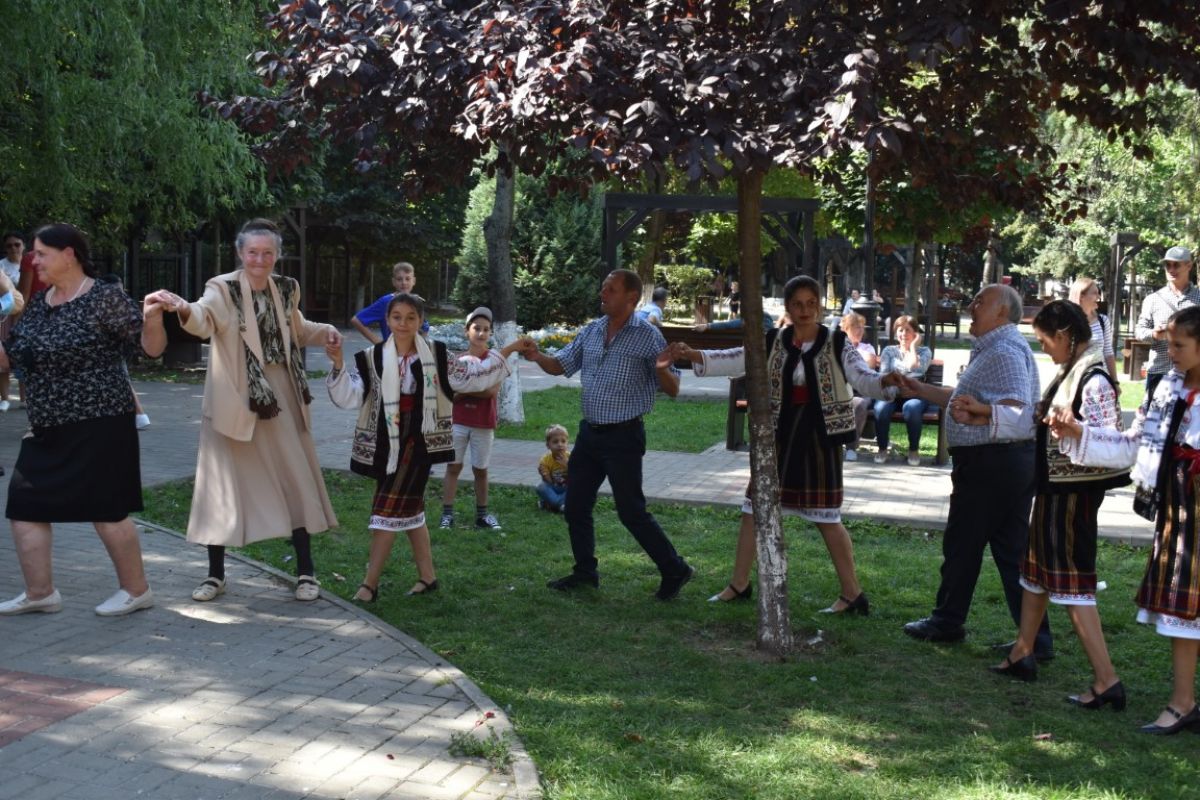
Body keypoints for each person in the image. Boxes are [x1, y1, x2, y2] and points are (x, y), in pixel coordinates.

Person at [142, 218, 342, 604]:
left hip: (281, 397)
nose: (260, 260)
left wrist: (326, 332)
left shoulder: (287, 288)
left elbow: (297, 329)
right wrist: (182, 307)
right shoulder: (222, 288)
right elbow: (203, 318)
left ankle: (306, 573)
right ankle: (215, 576)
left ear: (277, 255)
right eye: (253, 252)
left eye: (268, 253)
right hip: (235, 399)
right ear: (240, 253)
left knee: (295, 479)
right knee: (221, 486)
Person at [674, 275, 903, 610]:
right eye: (797, 304)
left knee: (826, 516)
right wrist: (694, 354)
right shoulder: (773, 340)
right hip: (778, 435)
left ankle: (853, 593)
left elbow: (861, 377)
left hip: (820, 439)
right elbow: (738, 358)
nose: (805, 310)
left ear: (819, 307)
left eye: (811, 303)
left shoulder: (837, 342)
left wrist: (885, 382)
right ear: (788, 308)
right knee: (754, 507)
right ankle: (739, 584)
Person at [1052, 305, 1200, 734]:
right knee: (1184, 609)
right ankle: (1183, 702)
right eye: (1169, 343)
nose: (1171, 352)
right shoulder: (1169, 388)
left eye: (1179, 345)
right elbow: (1134, 443)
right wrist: (1080, 433)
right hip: (1182, 512)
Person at [0, 223, 152, 616]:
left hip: (101, 421)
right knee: (24, 505)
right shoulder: (41, 302)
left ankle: (136, 590)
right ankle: (40, 593)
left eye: (42, 253)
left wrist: (156, 318)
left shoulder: (104, 297)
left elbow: (147, 347)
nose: (34, 260)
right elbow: (12, 357)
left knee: (106, 509)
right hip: (47, 426)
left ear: (69, 255)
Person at [326, 293, 520, 601]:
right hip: (387, 443)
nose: (403, 324)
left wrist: (508, 349)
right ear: (387, 320)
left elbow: (472, 377)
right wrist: (338, 363)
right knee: (410, 509)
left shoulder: (437, 355)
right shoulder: (373, 357)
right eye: (397, 317)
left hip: (419, 443)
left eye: (410, 317)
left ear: (420, 321)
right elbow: (351, 396)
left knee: (386, 510)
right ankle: (428, 578)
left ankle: (369, 585)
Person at [517, 269, 695, 600]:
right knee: (575, 506)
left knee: (631, 511)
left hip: (624, 437)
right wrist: (537, 356)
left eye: (611, 289)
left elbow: (673, 388)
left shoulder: (648, 336)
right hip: (590, 434)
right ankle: (585, 573)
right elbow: (561, 365)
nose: (603, 293)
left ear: (632, 298)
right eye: (603, 287)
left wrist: (661, 368)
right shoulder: (593, 330)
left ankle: (675, 568)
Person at [900, 284, 1053, 656]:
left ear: (1001, 312)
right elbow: (966, 400)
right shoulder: (998, 347)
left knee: (963, 543)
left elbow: (1017, 410)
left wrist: (981, 414)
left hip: (991, 464)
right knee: (1011, 551)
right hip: (1005, 463)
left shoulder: (1004, 351)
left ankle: (947, 621)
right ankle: (1037, 640)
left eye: (980, 302)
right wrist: (919, 389)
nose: (971, 306)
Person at [989, 301, 1129, 709]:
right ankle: (1023, 650)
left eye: (1045, 340)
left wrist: (1073, 429)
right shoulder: (1072, 371)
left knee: (1072, 585)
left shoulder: (1093, 379)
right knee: (1035, 573)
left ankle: (1107, 679)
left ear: (1065, 335)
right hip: (1054, 492)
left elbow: (1113, 444)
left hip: (1074, 498)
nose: (1044, 348)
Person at [439, 307, 506, 531]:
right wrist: (474, 386)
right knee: (453, 467)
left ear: (490, 333)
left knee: (481, 470)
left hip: (483, 423)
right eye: (477, 328)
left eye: (486, 329)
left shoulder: (495, 360)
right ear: (466, 331)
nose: (481, 333)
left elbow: (490, 392)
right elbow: (450, 393)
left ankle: (482, 516)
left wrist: (464, 388)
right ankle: (447, 515)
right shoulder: (457, 360)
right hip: (458, 421)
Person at [1136, 245, 1199, 398]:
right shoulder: (1153, 299)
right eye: (1167, 265)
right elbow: (1139, 331)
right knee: (1153, 413)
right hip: (1160, 371)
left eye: (1176, 265)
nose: (1171, 269)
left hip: (1192, 374)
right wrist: (1154, 334)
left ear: (1189, 266)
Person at [872, 315, 934, 467]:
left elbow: (917, 368)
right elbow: (884, 375)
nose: (904, 334)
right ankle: (882, 448)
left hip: (916, 394)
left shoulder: (924, 351)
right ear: (896, 333)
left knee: (912, 408)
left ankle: (913, 450)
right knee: (881, 408)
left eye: (908, 330)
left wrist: (912, 347)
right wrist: (900, 388)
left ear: (915, 333)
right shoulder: (889, 351)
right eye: (900, 330)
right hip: (891, 393)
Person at [352, 261, 429, 344]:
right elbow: (357, 320)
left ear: (413, 281)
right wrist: (379, 343)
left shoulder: (417, 301)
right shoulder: (386, 302)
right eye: (399, 279)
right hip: (392, 350)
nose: (404, 283)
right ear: (393, 282)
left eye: (407, 279)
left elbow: (424, 328)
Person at [839, 312, 877, 462]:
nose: (860, 330)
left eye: (862, 327)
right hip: (840, 391)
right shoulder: (837, 347)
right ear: (845, 329)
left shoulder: (867, 348)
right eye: (856, 327)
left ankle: (851, 448)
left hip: (859, 392)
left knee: (859, 404)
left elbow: (868, 367)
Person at [1069, 276, 1119, 390]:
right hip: (1075, 385)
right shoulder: (1067, 323)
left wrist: (1115, 382)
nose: (1099, 297)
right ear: (1081, 296)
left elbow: (1108, 352)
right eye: (1095, 293)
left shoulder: (1103, 321)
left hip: (1101, 384)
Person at [0, 232, 24, 411]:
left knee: (24, 357)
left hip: (26, 315)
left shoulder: (32, 264)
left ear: (23, 246)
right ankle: (5, 398)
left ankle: (25, 399)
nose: (13, 248)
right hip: (4, 316)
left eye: (17, 244)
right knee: (2, 357)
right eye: (9, 245)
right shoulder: (1, 266)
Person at [537, 424, 570, 512]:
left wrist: (567, 464)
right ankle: (561, 504)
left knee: (580, 488)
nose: (560, 444)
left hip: (568, 488)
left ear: (567, 444)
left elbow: (577, 475)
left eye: (563, 441)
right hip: (553, 487)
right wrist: (544, 474)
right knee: (541, 487)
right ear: (548, 445)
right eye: (555, 442)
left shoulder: (571, 457)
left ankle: (551, 503)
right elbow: (548, 482)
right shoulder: (545, 460)